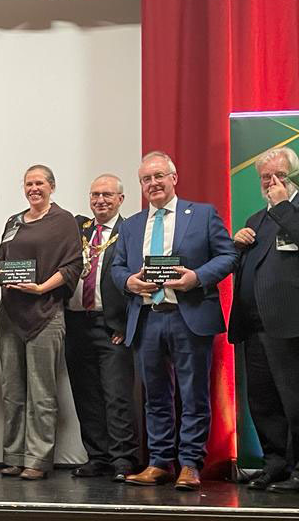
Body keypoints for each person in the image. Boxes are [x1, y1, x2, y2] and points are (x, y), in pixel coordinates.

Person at [111, 151, 235, 491]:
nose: (153, 183)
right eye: (146, 179)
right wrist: (128, 282)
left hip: (188, 316)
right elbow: (117, 267)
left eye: (158, 176)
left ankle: (190, 464)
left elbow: (228, 255)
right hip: (147, 318)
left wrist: (196, 277)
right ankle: (159, 462)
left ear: (173, 178)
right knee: (155, 396)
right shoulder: (132, 225)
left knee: (193, 394)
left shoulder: (203, 214)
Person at [0, 164, 82, 481]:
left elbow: (73, 265)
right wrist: (2, 271)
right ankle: (14, 455)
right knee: (11, 390)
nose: (34, 188)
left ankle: (37, 459)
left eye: (40, 183)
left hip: (46, 313)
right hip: (10, 315)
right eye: (29, 183)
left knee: (42, 392)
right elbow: (0, 260)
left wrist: (42, 287)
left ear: (51, 187)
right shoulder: (13, 221)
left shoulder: (64, 221)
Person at [229, 147, 299, 492]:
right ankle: (276, 465)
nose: (271, 183)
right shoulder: (255, 220)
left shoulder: (294, 210)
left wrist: (285, 205)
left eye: (278, 176)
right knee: (264, 400)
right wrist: (237, 247)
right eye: (264, 178)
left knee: (295, 399)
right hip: (254, 325)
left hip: (290, 325)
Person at [64, 174, 139, 481]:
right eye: (95, 195)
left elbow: (136, 278)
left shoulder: (130, 231)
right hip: (76, 323)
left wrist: (125, 323)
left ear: (121, 199)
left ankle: (124, 458)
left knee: (117, 395)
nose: (100, 200)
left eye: (107, 195)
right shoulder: (79, 230)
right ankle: (97, 456)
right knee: (86, 394)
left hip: (112, 325)